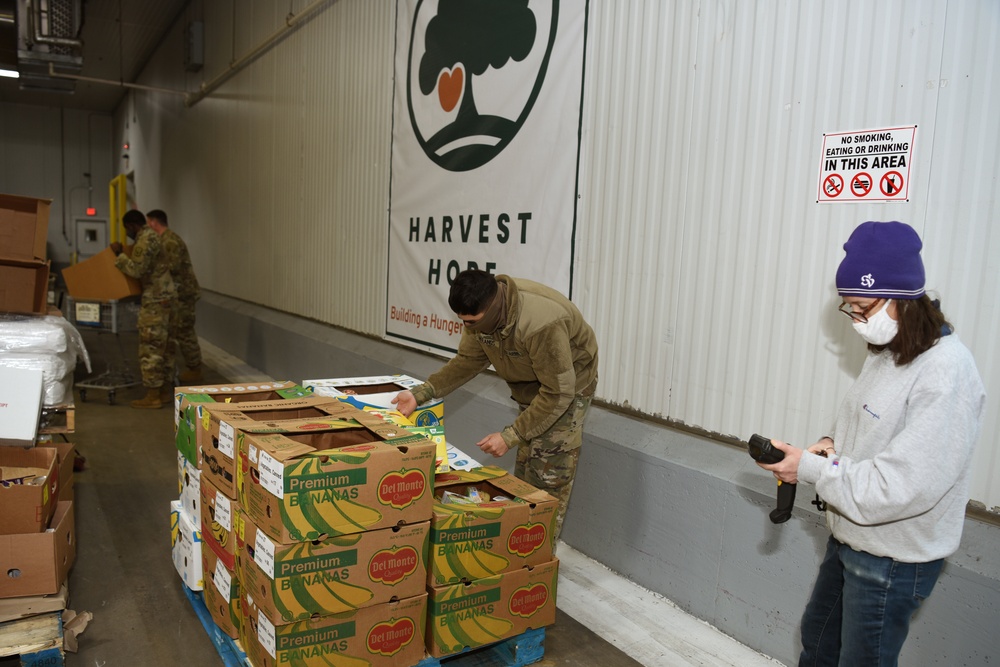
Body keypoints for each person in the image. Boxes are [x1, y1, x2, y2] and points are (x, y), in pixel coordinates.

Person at [757, 221, 985, 667]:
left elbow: (899, 486)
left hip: (892, 558)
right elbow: (873, 427)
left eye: (862, 309)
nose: (858, 322)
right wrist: (831, 445)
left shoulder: (945, 374)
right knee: (819, 645)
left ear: (900, 299)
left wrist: (808, 468)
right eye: (851, 310)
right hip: (853, 537)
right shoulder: (892, 350)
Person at [392, 270, 599, 541]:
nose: (467, 327)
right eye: (462, 321)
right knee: (526, 470)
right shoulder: (479, 319)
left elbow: (558, 392)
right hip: (533, 383)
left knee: (547, 476)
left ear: (490, 309)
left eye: (472, 321)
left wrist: (510, 435)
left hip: (567, 386)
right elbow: (467, 361)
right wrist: (422, 393)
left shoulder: (541, 323)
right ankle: (519, 545)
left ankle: (537, 561)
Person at [110, 209, 177, 409]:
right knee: (166, 347)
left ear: (132, 225)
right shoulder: (153, 237)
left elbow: (136, 269)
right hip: (166, 298)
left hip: (155, 301)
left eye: (127, 229)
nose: (128, 233)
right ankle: (164, 390)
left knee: (151, 346)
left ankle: (153, 395)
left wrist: (119, 255)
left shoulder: (145, 239)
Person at [146, 209, 203, 388]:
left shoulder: (169, 241)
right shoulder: (165, 240)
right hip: (177, 293)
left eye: (149, 223)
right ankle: (193, 366)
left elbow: (172, 267)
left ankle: (195, 368)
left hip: (183, 293)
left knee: (184, 330)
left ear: (154, 222)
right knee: (180, 330)